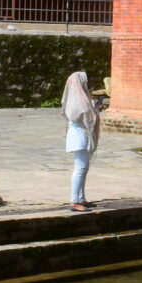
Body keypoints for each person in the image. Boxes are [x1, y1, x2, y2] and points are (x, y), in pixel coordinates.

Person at [63, 71, 101, 211]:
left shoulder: (80, 98)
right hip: (79, 136)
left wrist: (94, 110)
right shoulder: (77, 101)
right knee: (80, 168)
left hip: (82, 135)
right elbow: (84, 117)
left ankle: (81, 198)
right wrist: (95, 111)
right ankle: (74, 201)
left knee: (84, 167)